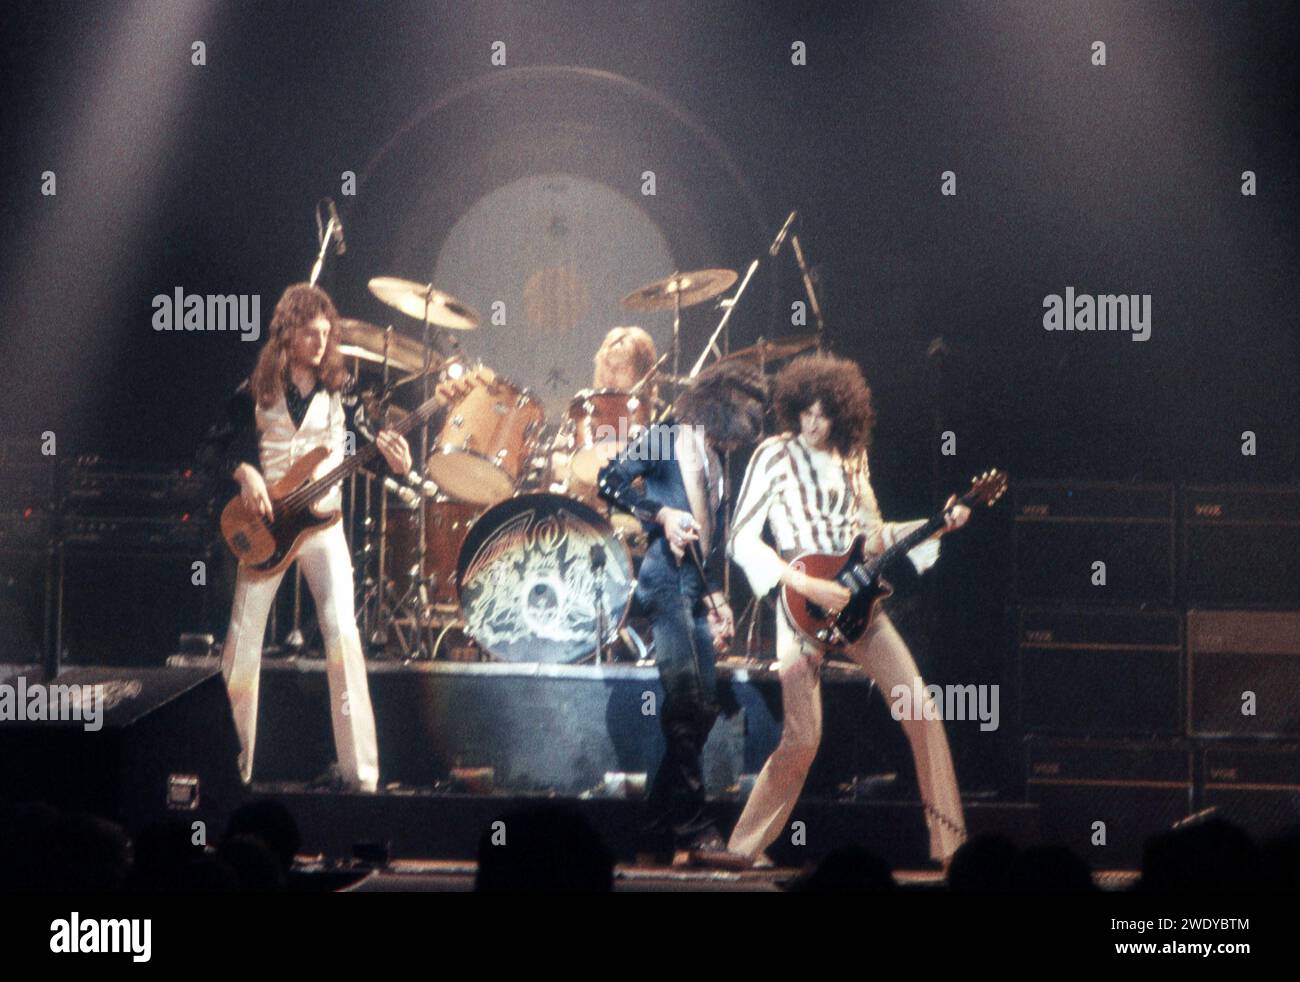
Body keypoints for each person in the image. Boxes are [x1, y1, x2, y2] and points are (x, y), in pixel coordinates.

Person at [707, 352, 969, 868]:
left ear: (842, 416)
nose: (812, 423)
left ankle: (954, 850)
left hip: (856, 602)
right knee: (804, 736)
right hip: (800, 602)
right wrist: (805, 582)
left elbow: (872, 537)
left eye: (824, 415)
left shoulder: (853, 457)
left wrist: (937, 524)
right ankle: (743, 848)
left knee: (922, 712)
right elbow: (741, 539)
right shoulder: (773, 454)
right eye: (805, 411)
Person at [198, 283, 413, 792]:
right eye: (310, 333)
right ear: (287, 333)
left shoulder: (346, 393)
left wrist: (395, 460)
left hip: (323, 528)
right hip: (270, 528)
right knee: (242, 638)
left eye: (325, 333)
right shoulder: (254, 390)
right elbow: (211, 452)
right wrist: (245, 472)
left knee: (343, 633)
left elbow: (369, 447)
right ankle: (232, 767)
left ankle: (361, 775)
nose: (320, 342)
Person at [597, 361, 767, 863]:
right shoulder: (667, 435)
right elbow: (610, 480)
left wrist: (715, 595)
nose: (734, 441)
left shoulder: (715, 460)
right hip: (662, 581)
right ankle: (693, 825)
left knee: (704, 705)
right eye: (735, 429)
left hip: (693, 586)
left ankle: (654, 825)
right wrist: (661, 513)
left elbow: (707, 541)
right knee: (687, 697)